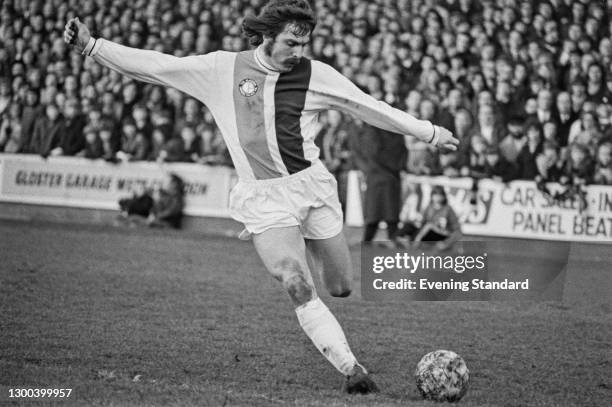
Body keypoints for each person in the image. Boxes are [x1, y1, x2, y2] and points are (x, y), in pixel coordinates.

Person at [64, 0, 458, 394]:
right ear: (268, 36)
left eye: (305, 44)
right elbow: (157, 65)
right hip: (264, 199)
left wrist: (428, 132)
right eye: (291, 43)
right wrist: (93, 46)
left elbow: (368, 107)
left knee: (340, 287)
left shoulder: (315, 75)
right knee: (296, 281)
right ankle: (353, 369)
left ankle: (301, 240)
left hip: (312, 189)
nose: (299, 52)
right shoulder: (223, 69)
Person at [398, 186, 462, 252]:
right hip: (428, 233)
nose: (437, 197)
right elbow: (422, 221)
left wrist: (446, 243)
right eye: (435, 194)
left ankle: (414, 247)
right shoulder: (429, 207)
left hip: (441, 234)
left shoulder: (448, 209)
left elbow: (457, 230)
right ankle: (407, 244)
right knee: (408, 226)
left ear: (444, 196)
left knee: (428, 226)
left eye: (439, 195)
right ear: (431, 196)